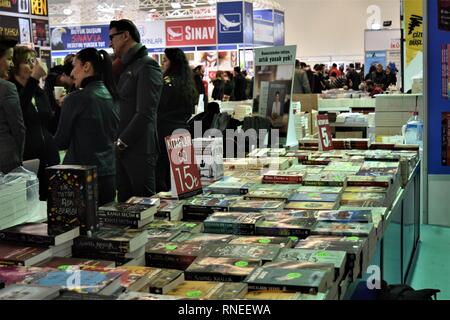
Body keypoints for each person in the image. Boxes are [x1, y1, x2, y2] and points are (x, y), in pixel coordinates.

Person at [54, 48, 120, 206]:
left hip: (80, 176)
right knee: (107, 227)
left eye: (74, 66)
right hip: (108, 175)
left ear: (86, 66)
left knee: (78, 229)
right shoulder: (110, 95)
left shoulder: (76, 99)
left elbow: (60, 141)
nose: (71, 73)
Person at [109, 19, 163, 202]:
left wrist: (122, 142)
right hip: (122, 148)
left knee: (144, 205)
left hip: (139, 149)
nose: (110, 43)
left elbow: (146, 112)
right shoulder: (124, 67)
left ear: (125, 36)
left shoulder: (147, 65)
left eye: (112, 37)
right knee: (124, 206)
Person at [10, 46, 60, 200]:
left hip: (50, 158)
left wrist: (59, 109)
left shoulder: (39, 92)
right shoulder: (11, 91)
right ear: (15, 66)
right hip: (27, 160)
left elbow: (51, 126)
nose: (32, 65)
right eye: (27, 62)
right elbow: (19, 113)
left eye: (33, 61)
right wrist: (33, 80)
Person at [156, 48, 197, 193]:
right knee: (184, 179)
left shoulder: (166, 83)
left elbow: (159, 107)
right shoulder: (188, 83)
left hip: (165, 131)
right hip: (183, 131)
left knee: (164, 176)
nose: (163, 65)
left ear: (173, 63)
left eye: (165, 60)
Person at [0, 38, 25, 174]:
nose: (11, 64)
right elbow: (18, 128)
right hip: (6, 162)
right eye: (9, 59)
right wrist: (19, 157)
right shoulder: (7, 88)